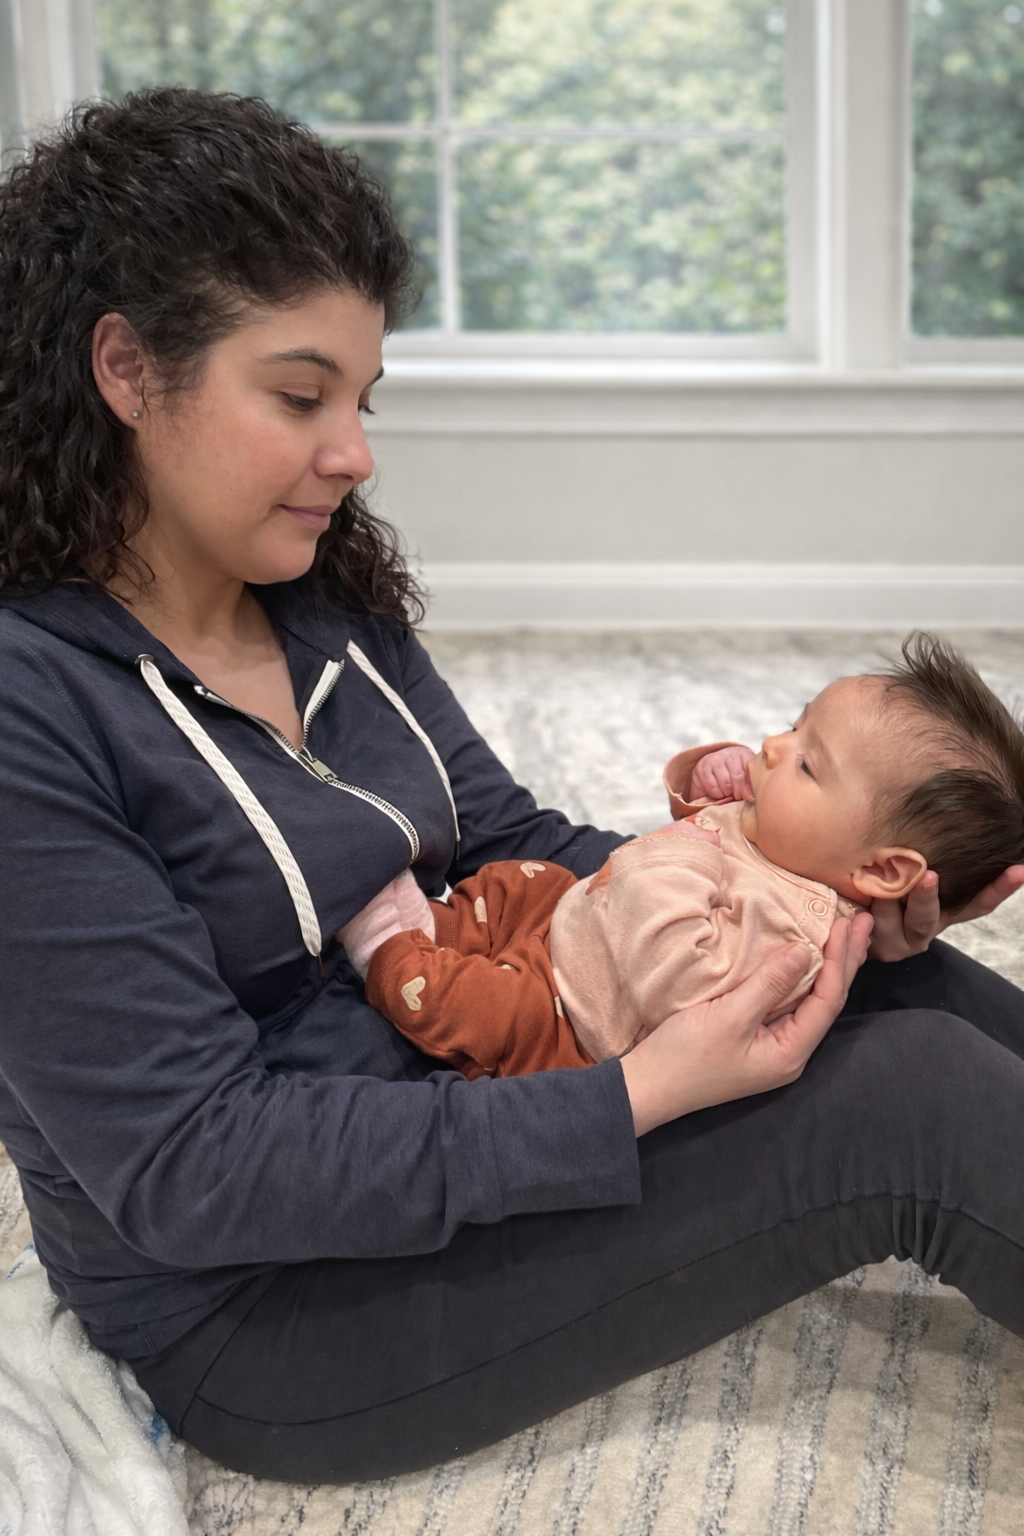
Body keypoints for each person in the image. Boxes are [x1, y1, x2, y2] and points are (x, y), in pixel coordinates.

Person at [1, 89, 1023, 1488]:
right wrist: (641, 1095)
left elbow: (517, 844)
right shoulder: (30, 709)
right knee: (903, 1099)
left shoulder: (314, 590)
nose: (352, 452)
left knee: (885, 985)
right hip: (271, 1306)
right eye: (299, 396)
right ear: (126, 368)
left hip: (489, 1062)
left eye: (361, 401)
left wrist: (792, 890)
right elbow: (194, 1167)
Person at [345, 637, 1024, 1077]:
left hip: (572, 1018)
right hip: (575, 924)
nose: (772, 745)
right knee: (522, 882)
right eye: (795, 726)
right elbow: (702, 828)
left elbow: (678, 985)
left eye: (809, 765)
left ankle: (393, 954)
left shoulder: (792, 934)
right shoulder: (791, 838)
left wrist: (679, 863)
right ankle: (446, 929)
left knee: (482, 1013)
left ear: (879, 870)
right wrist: (706, 782)